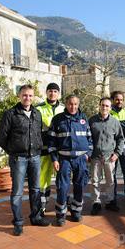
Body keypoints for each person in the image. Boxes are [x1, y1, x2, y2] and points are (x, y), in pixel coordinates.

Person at [0, 84, 50, 236]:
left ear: (33, 97)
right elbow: (2, 137)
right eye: (25, 95)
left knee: (35, 189)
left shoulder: (37, 113)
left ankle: (36, 217)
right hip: (18, 158)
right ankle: (18, 223)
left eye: (30, 95)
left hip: (35, 157)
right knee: (17, 192)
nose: (27, 98)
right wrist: (12, 151)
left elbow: (38, 133)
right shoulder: (10, 114)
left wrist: (38, 149)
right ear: (19, 96)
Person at [48, 94, 93, 226]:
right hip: (64, 159)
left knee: (79, 186)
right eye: (70, 104)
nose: (72, 107)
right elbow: (51, 141)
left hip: (81, 159)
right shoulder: (57, 119)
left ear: (78, 105)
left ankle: (76, 211)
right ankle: (61, 214)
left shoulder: (83, 118)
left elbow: (89, 138)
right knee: (62, 187)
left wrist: (88, 154)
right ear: (66, 104)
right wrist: (54, 159)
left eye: (75, 104)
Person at [89, 97, 125, 215]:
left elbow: (120, 139)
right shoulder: (92, 121)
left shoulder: (115, 122)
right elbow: (87, 138)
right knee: (95, 181)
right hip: (95, 156)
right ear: (99, 106)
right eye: (102, 105)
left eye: (107, 106)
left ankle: (110, 202)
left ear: (110, 108)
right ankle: (96, 202)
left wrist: (117, 153)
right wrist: (88, 154)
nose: (104, 107)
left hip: (110, 157)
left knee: (110, 181)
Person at [36, 83, 65, 216]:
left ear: (58, 93)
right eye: (50, 91)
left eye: (55, 91)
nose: (52, 93)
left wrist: (49, 124)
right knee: (43, 177)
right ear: (46, 92)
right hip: (44, 148)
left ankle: (62, 202)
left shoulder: (64, 108)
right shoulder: (38, 108)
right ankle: (42, 205)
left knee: (62, 176)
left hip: (60, 149)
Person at [110, 91, 125, 203]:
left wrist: (115, 124)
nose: (119, 101)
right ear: (113, 100)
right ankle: (113, 196)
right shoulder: (108, 113)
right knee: (112, 174)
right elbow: (107, 128)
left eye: (121, 99)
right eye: (117, 99)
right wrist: (121, 124)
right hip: (112, 149)